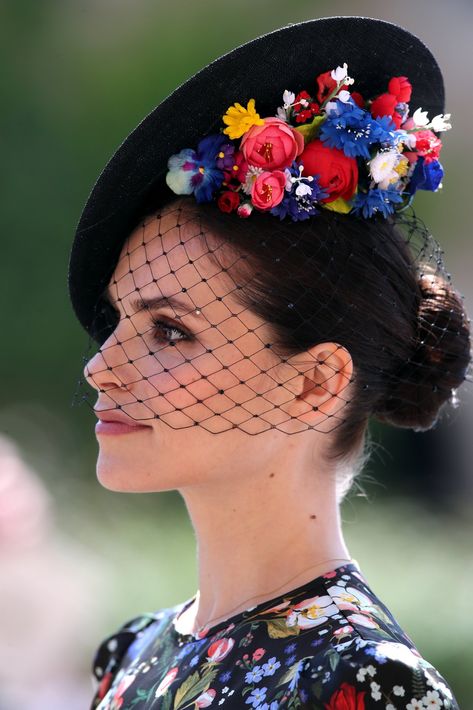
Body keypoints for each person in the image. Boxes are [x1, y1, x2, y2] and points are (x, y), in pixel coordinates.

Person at [68, 16, 471, 709]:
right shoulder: (133, 655)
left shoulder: (363, 683)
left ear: (315, 382)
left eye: (168, 331)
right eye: (117, 321)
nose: (100, 368)